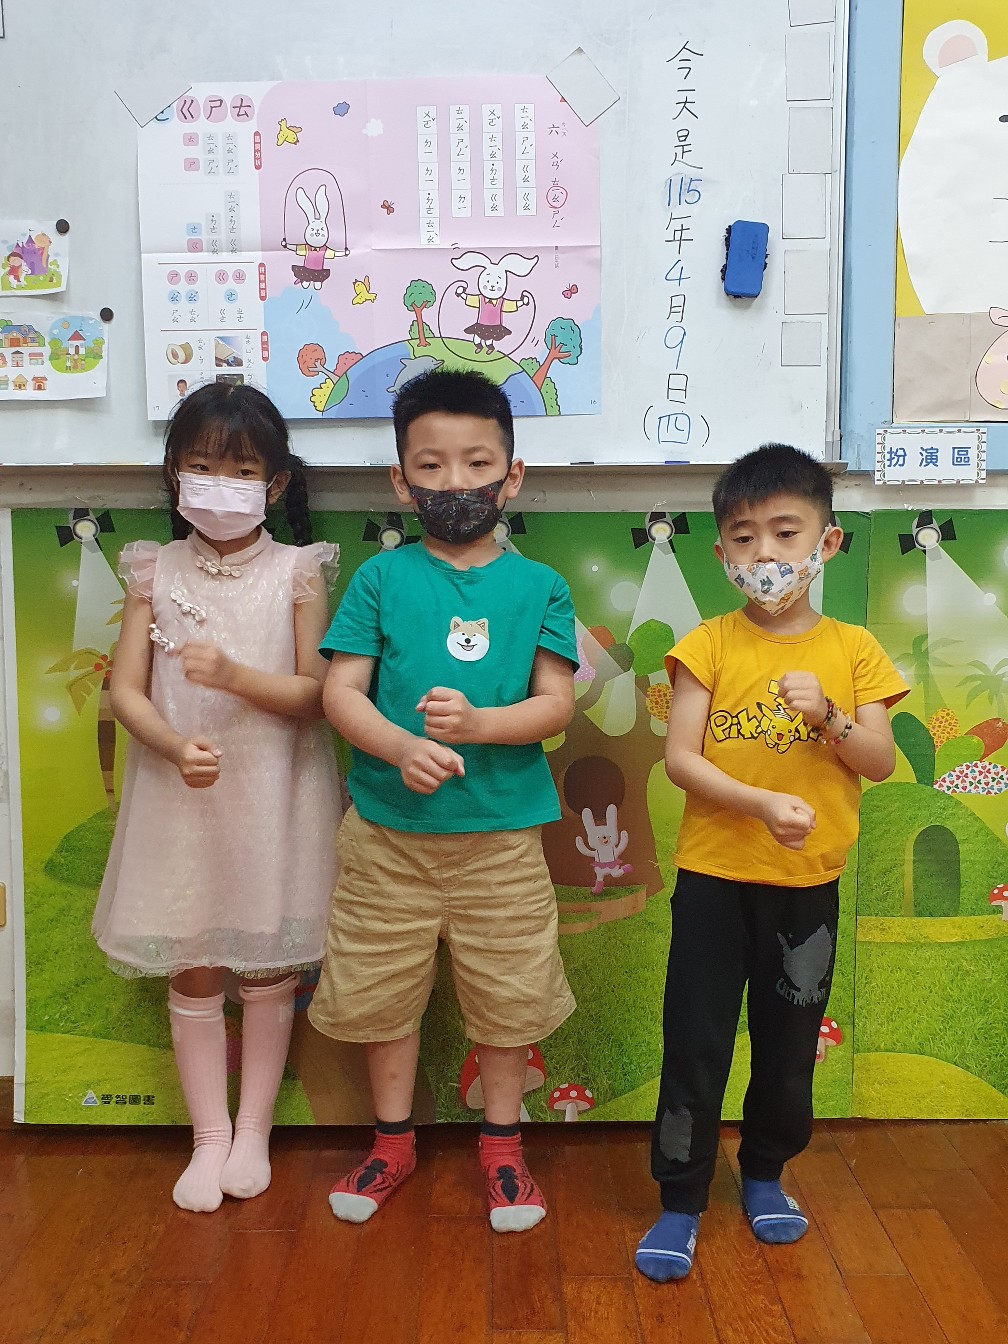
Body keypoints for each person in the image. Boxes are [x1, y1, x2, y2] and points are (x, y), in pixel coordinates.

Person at [309, 368, 577, 1233]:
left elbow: (556, 704)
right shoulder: (379, 579)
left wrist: (480, 725)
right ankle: (392, 1143)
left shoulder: (541, 586)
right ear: (401, 481)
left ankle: (503, 1148)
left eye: (477, 463)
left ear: (512, 475)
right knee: (381, 992)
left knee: (509, 995)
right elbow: (340, 693)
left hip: (503, 839)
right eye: (431, 466)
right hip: (387, 836)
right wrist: (399, 747)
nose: (455, 482)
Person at [635, 442, 908, 1281]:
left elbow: (879, 761)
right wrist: (758, 805)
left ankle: (763, 1174)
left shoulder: (855, 649)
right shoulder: (708, 644)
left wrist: (828, 715)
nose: (765, 555)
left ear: (827, 542)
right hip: (714, 880)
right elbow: (682, 759)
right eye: (744, 537)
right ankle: (681, 1198)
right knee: (696, 1042)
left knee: (788, 1048)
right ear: (721, 551)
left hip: (806, 886)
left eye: (786, 534)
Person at [93, 382, 341, 1212]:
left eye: (240, 471)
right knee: (193, 960)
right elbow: (126, 691)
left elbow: (317, 694)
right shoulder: (152, 568)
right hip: (178, 797)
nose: (219, 485)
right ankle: (208, 1136)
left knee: (267, 956)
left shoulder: (299, 571)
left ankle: (253, 1130)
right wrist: (170, 746)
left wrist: (234, 675)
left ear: (275, 483)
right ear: (173, 473)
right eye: (201, 466)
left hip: (277, 793)